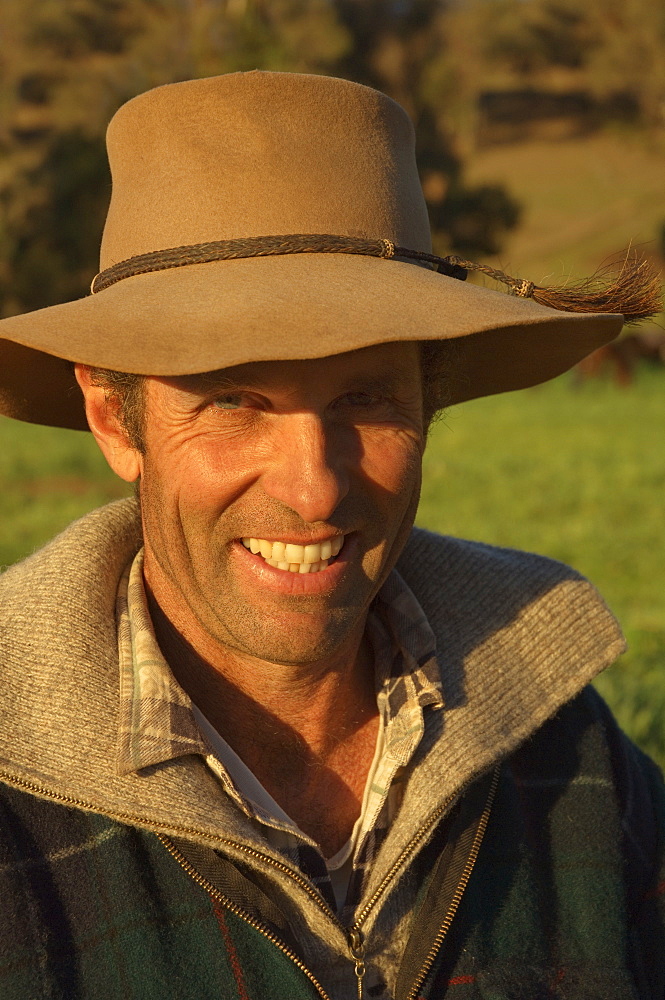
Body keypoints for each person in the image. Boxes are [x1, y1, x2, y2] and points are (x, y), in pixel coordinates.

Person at [0, 71, 663, 1000]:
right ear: (116, 420)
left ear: (429, 404)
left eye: (366, 396)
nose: (313, 488)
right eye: (232, 399)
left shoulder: (568, 751)